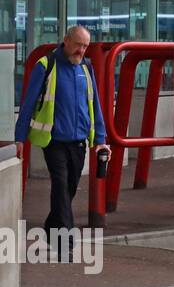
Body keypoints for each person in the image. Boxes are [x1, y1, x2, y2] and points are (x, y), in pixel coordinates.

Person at [14, 25, 109, 261]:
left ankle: (50, 226)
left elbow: (94, 103)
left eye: (85, 46)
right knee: (60, 186)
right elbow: (27, 103)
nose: (81, 50)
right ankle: (64, 243)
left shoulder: (86, 67)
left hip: (79, 142)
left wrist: (100, 140)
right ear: (66, 40)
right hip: (54, 141)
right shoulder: (46, 66)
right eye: (78, 44)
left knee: (69, 189)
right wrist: (20, 137)